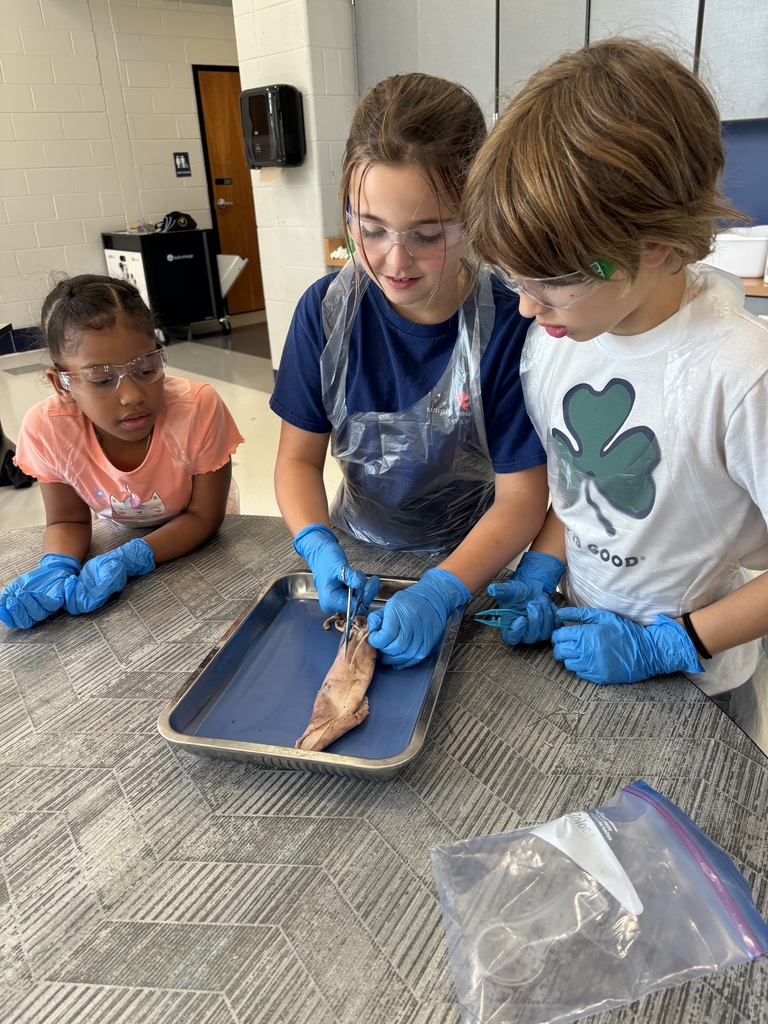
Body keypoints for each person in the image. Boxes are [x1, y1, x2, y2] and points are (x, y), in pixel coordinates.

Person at [462, 38, 768, 726]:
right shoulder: (560, 340)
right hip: (586, 641)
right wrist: (545, 574)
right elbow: (581, 492)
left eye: (550, 283)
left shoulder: (739, 375)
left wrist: (673, 642)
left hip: (704, 684)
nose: (526, 307)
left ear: (651, 246)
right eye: (514, 279)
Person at [270, 72, 548, 669]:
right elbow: (296, 459)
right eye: (370, 229)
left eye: (426, 235)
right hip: (354, 556)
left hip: (472, 563)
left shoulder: (509, 326)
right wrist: (317, 544)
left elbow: (524, 497)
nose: (394, 261)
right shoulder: (326, 314)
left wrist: (444, 590)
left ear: (474, 215)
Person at [0, 274, 244, 629]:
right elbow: (68, 519)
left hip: (197, 531)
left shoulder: (197, 409)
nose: (132, 395)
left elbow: (205, 517)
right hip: (117, 525)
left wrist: (132, 558)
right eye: (101, 380)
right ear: (62, 384)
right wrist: (57, 564)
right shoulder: (49, 428)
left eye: (146, 369)